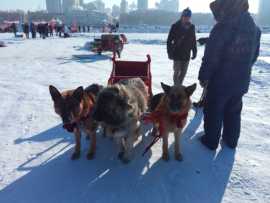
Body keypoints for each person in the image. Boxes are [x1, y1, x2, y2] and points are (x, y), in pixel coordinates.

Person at [198, 0, 261, 150]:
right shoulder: (255, 29)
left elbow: (212, 56)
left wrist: (204, 76)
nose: (216, 18)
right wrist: (243, 70)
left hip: (220, 81)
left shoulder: (222, 28)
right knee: (233, 110)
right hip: (241, 80)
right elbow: (254, 56)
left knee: (214, 109)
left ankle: (211, 141)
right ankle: (231, 141)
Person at [167, 8, 197, 85]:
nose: (186, 18)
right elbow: (169, 41)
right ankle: (176, 87)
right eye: (185, 16)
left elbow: (193, 40)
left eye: (188, 17)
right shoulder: (175, 26)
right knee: (176, 72)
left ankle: (178, 86)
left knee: (183, 73)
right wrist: (169, 52)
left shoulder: (192, 27)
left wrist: (194, 51)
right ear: (182, 16)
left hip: (186, 54)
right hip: (177, 53)